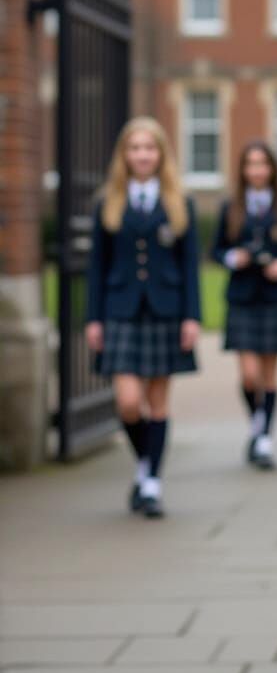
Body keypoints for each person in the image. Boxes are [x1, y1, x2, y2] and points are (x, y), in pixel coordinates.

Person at [85, 116, 201, 519]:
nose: (142, 155)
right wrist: (93, 319)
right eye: (134, 148)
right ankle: (143, 464)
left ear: (160, 154)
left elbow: (190, 267)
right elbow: (96, 266)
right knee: (129, 403)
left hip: (166, 311)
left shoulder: (179, 203)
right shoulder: (107, 203)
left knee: (157, 402)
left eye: (149, 148)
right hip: (120, 311)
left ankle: (151, 482)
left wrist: (192, 317)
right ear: (125, 155)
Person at [211, 141, 277, 470]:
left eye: (262, 164)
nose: (256, 171)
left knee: (269, 376)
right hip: (242, 297)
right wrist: (230, 257)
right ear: (243, 170)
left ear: (272, 169)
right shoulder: (231, 207)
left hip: (275, 297)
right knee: (249, 376)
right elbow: (215, 250)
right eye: (250, 165)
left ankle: (264, 437)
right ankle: (257, 424)